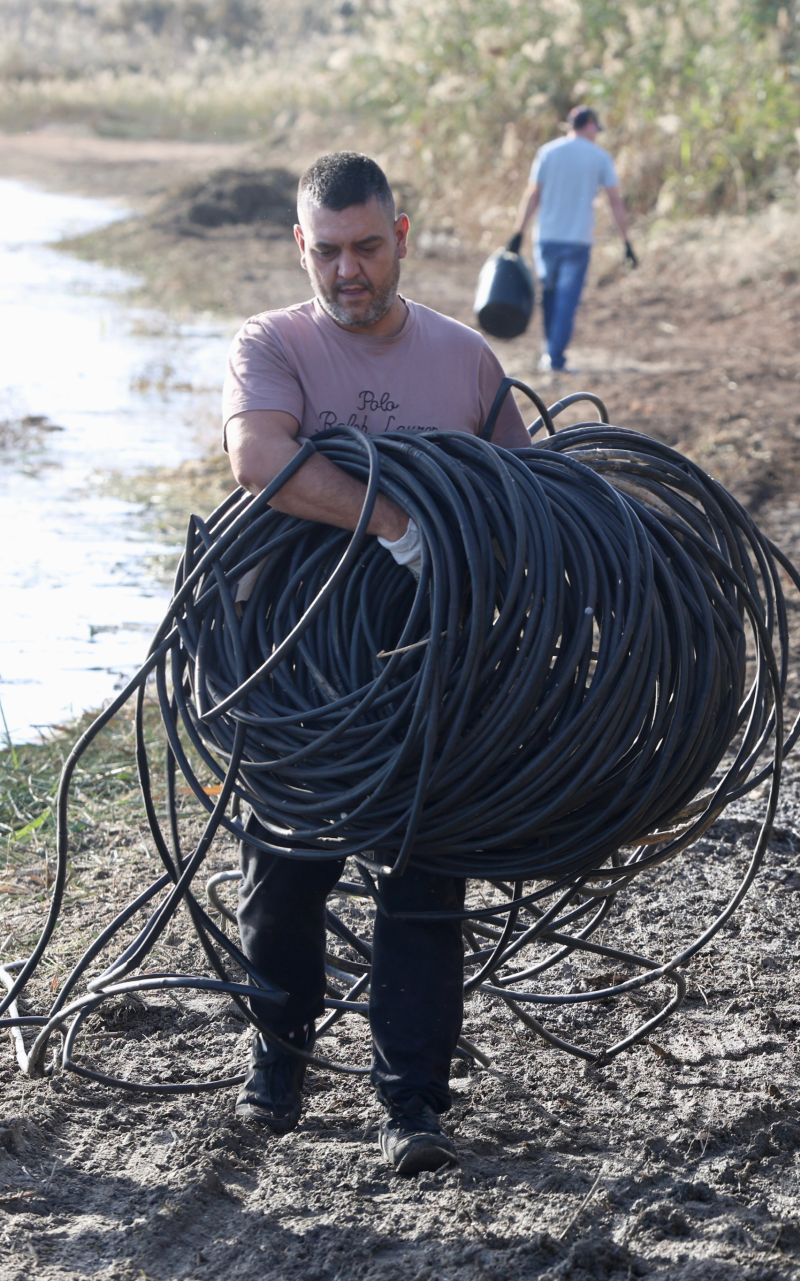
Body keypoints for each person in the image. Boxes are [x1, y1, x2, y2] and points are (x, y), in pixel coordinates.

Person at [223, 151, 532, 1171]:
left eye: (366, 247)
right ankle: (278, 1066)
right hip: (300, 670)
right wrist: (396, 524)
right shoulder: (273, 344)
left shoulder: (464, 362)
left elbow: (528, 501)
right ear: (298, 248)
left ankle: (414, 1107)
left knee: (423, 880)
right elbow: (261, 460)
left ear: (402, 236)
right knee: (286, 875)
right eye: (327, 251)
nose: (348, 271)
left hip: (432, 674)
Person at [508, 105, 638, 373]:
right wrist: (626, 241)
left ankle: (550, 352)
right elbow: (615, 201)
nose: (596, 134)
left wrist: (518, 232)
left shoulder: (548, 152)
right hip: (578, 240)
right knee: (567, 300)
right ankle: (554, 357)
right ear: (589, 124)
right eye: (596, 128)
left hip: (546, 237)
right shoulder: (600, 157)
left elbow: (533, 194)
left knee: (550, 295)